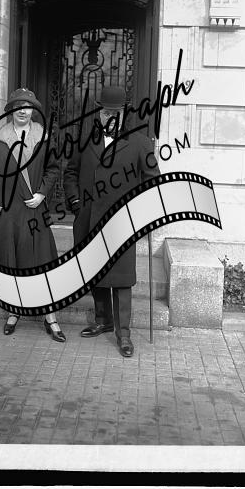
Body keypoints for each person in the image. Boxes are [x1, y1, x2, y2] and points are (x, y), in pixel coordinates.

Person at [63, 85, 160, 357]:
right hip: (89, 219)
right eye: (106, 112)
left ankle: (124, 333)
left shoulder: (140, 142)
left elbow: (152, 182)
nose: (110, 116)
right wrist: (76, 204)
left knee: (121, 277)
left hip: (121, 223)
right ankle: (103, 320)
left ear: (124, 112)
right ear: (99, 113)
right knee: (95, 273)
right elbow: (70, 174)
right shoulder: (85, 140)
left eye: (115, 112)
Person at [0, 88, 66, 342]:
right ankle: (13, 312)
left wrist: (42, 193)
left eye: (27, 107)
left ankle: (50, 317)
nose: (23, 111)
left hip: (34, 207)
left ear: (33, 110)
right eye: (18, 106)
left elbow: (53, 169)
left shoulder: (44, 136)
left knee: (42, 263)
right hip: (8, 210)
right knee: (10, 263)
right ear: (11, 110)